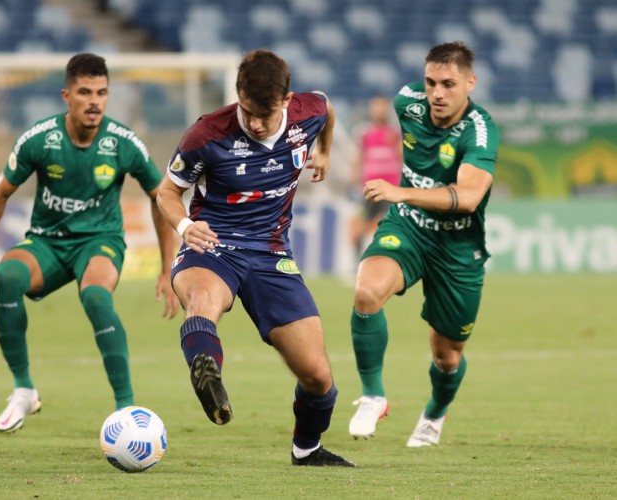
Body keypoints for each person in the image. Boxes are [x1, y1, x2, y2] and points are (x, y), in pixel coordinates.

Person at [0, 53, 180, 433]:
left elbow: (162, 198)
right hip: (47, 242)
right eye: (85, 92)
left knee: (95, 296)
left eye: (102, 92)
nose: (94, 101)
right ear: (66, 96)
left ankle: (126, 408)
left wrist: (167, 265)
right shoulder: (41, 139)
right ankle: (24, 389)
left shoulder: (124, 143)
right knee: (7, 276)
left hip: (100, 241)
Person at [156, 49, 355, 467]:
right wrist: (183, 228)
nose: (255, 122)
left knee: (319, 377)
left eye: (264, 113)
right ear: (238, 95)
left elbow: (329, 109)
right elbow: (166, 193)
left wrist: (324, 151)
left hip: (271, 254)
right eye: (247, 110)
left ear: (286, 100)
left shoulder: (309, 113)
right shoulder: (206, 135)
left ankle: (307, 450)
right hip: (213, 245)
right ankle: (207, 372)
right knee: (203, 304)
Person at [348, 41, 498, 446]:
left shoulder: (481, 130)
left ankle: (434, 414)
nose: (436, 93)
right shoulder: (407, 102)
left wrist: (402, 192)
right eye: (431, 82)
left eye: (448, 84)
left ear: (470, 83)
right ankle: (373, 395)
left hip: (457, 249)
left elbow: (467, 197)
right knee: (365, 292)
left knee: (446, 355)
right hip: (410, 228)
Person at [349, 95, 402, 257]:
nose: (379, 111)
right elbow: (359, 157)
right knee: (360, 225)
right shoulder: (365, 133)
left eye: (382, 108)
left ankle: (386, 259)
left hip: (391, 188)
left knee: (386, 224)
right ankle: (356, 261)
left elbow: (403, 157)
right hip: (369, 188)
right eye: (375, 108)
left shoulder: (395, 133)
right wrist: (354, 179)